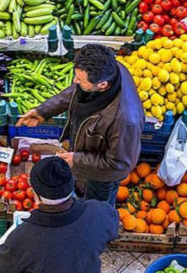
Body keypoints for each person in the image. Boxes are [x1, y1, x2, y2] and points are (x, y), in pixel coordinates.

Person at [17, 44, 143, 205]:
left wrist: (77, 159)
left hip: (102, 176)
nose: (75, 81)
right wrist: (44, 111)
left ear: (103, 85)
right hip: (88, 152)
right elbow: (77, 91)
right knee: (83, 187)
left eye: (80, 80)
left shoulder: (125, 121)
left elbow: (119, 164)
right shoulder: (110, 69)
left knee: (96, 206)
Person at [0, 157, 118, 273]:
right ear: (71, 186)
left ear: (35, 193)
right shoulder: (101, 212)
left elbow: (1, 266)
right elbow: (111, 233)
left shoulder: (19, 240)